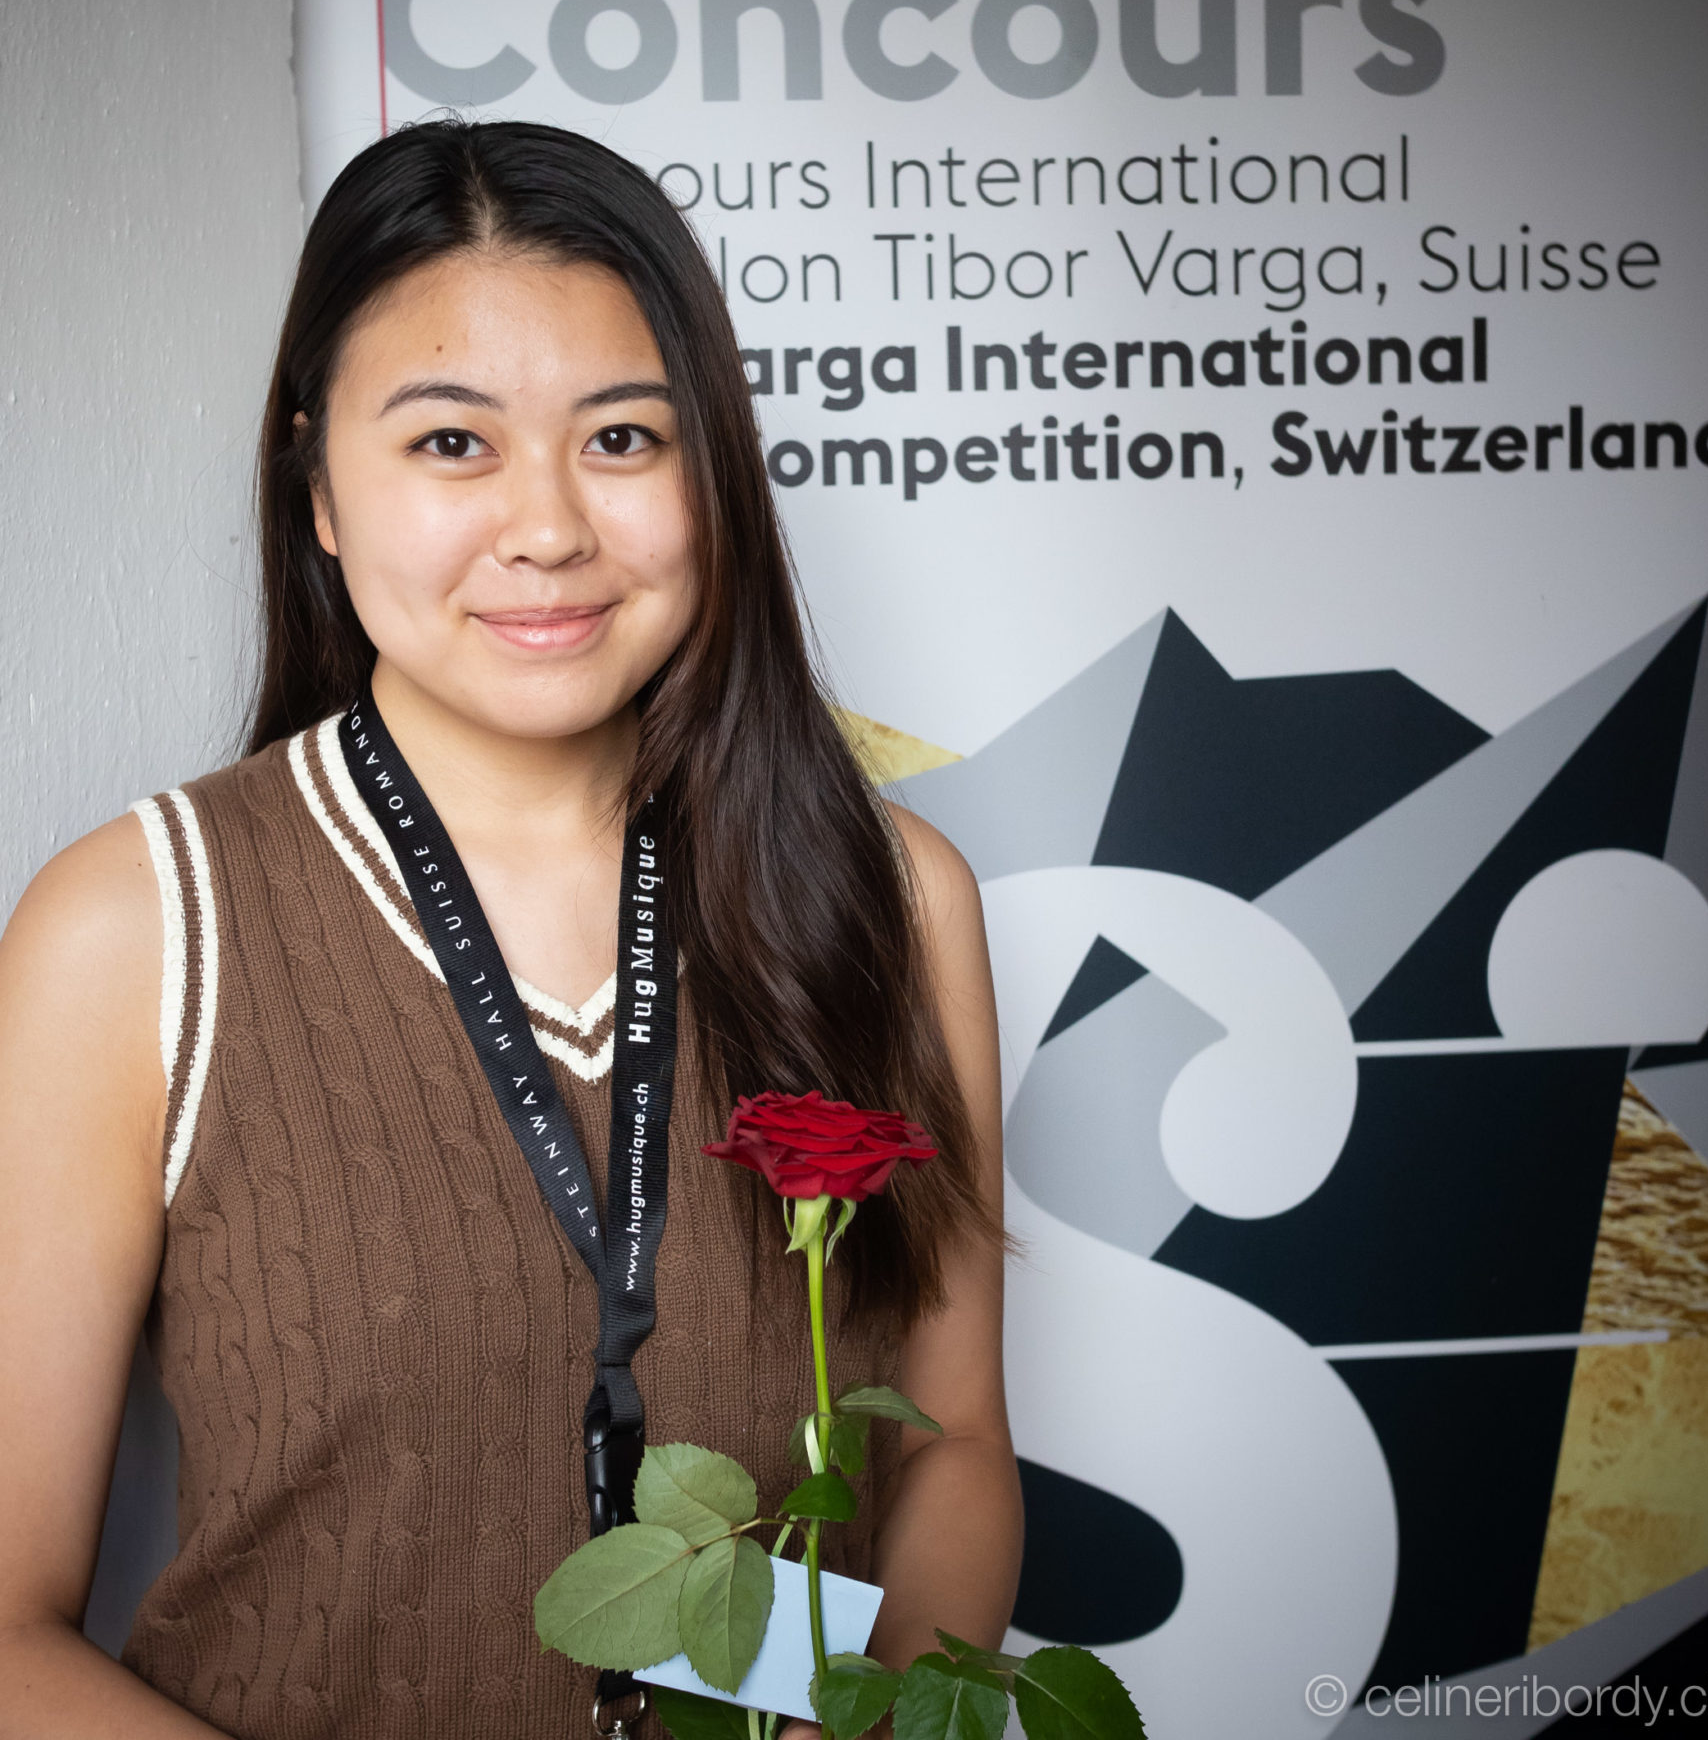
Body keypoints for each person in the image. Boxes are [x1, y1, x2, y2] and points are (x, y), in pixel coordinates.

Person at [0, 119, 1021, 1738]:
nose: (548, 527)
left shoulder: (887, 899)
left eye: (621, 437)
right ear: (317, 488)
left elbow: (948, 1454)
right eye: (451, 442)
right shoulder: (136, 926)